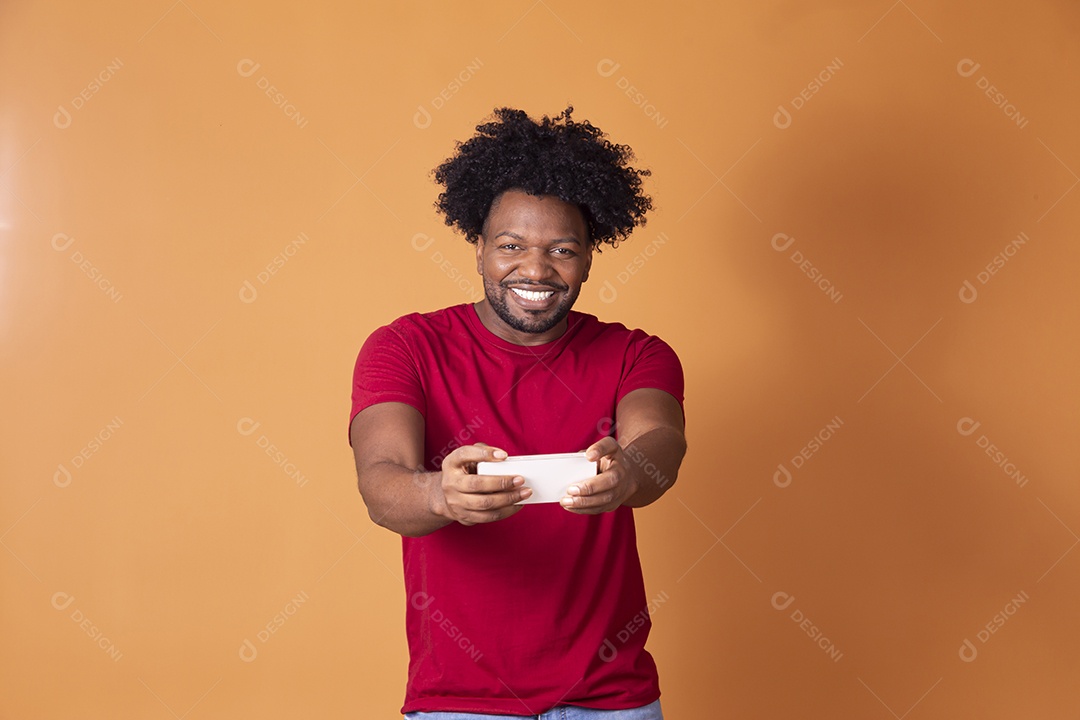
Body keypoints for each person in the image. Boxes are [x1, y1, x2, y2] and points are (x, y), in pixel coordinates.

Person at [349, 106, 686, 719]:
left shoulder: (636, 353)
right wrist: (440, 495)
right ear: (479, 250)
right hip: (461, 703)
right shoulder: (405, 347)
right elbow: (380, 485)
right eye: (511, 246)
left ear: (589, 257)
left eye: (562, 249)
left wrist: (629, 472)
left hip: (612, 699)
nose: (535, 269)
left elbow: (660, 439)